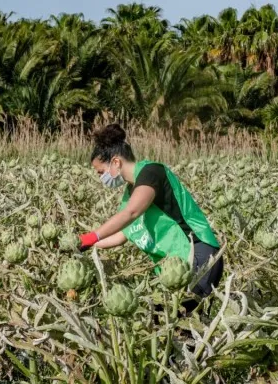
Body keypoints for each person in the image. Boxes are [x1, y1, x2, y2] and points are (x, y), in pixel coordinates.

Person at [78, 123, 224, 315]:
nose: (101, 178)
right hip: (177, 265)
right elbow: (121, 236)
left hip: (197, 254)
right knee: (167, 324)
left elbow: (131, 213)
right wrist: (81, 245)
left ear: (115, 162)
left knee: (183, 325)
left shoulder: (151, 172)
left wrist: (91, 237)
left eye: (100, 172)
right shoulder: (130, 193)